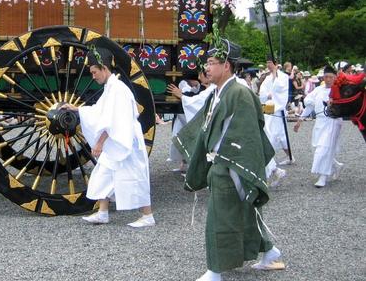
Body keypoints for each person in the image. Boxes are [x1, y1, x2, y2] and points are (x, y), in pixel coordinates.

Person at [174, 37, 284, 281]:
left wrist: (238, 170)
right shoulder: (217, 93)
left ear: (227, 65)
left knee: (218, 218)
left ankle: (215, 271)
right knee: (245, 211)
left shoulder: (239, 93)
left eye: (212, 63)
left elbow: (246, 135)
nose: (207, 68)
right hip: (221, 162)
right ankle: (268, 251)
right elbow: (203, 129)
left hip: (231, 163)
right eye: (207, 63)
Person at [61, 47, 154, 228]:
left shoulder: (117, 89)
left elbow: (112, 121)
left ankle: (148, 215)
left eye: (95, 72)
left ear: (104, 68)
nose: (93, 76)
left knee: (134, 176)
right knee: (103, 173)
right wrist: (77, 109)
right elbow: (99, 111)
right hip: (117, 138)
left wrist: (99, 143)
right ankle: (103, 213)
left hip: (124, 140)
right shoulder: (111, 87)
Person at [293, 64, 343, 188]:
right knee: (317, 147)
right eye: (326, 77)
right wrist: (300, 120)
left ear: (335, 78)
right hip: (320, 123)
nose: (328, 79)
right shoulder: (318, 90)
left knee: (324, 149)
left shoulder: (339, 91)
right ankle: (336, 165)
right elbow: (309, 106)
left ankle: (323, 176)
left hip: (333, 122)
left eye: (331, 77)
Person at [259, 55, 292, 184]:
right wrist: (267, 95)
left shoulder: (282, 77)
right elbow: (262, 93)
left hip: (277, 110)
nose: (268, 65)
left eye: (270, 63)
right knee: (268, 136)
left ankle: (275, 166)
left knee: (275, 137)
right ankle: (274, 168)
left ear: (276, 63)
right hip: (267, 109)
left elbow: (281, 91)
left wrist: (275, 76)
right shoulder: (267, 78)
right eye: (267, 63)